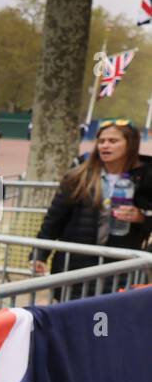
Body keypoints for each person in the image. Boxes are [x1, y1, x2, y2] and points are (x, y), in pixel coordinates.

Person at [31, 120, 151, 296]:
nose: (105, 146)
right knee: (72, 316)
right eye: (101, 141)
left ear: (131, 144)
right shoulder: (78, 176)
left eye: (113, 141)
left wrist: (142, 218)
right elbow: (55, 219)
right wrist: (39, 255)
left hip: (121, 267)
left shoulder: (146, 177)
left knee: (108, 318)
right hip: (74, 266)